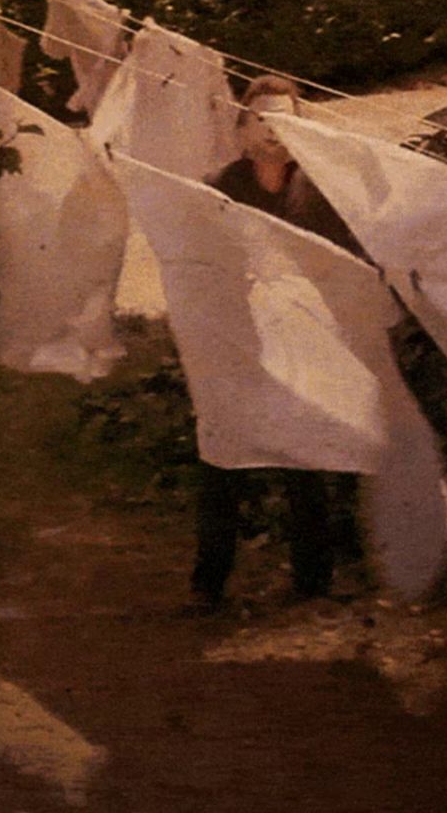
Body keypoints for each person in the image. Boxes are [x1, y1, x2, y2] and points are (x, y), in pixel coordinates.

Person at [190, 76, 364, 610]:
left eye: (283, 120)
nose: (272, 133)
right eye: (261, 120)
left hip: (302, 342)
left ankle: (313, 581)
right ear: (242, 129)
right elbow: (197, 267)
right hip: (237, 344)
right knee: (222, 463)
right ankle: (208, 584)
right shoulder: (215, 188)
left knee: (304, 462)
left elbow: (349, 268)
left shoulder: (323, 192)